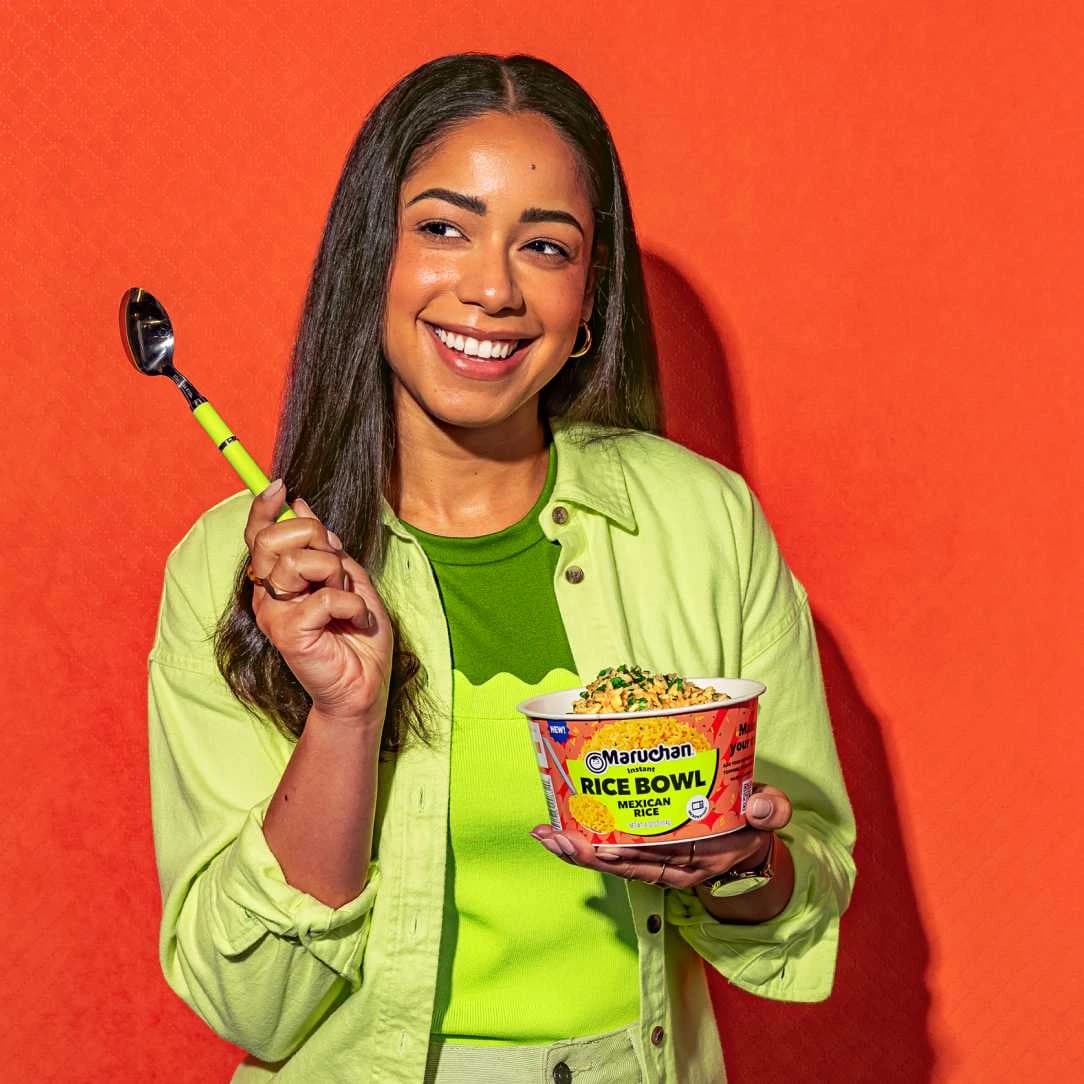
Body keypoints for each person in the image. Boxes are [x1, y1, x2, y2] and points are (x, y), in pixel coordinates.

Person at [147, 52, 856, 1084]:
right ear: (370, 257)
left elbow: (804, 896)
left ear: (587, 297)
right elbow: (248, 999)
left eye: (544, 245)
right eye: (442, 227)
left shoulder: (707, 523)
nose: (489, 286)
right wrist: (345, 717)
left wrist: (739, 864)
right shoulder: (237, 566)